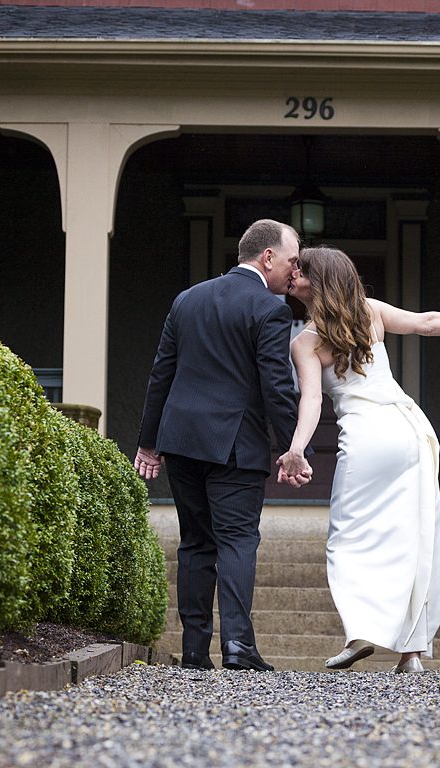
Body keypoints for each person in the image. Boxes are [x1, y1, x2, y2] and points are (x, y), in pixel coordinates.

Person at [277, 246, 440, 673]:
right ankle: (411, 653)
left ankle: (359, 633)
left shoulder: (306, 342)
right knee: (414, 537)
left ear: (317, 280)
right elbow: (426, 323)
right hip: (409, 429)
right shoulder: (369, 311)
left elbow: (312, 400)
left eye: (299, 270)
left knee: (346, 539)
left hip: (368, 438)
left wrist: (297, 448)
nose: (291, 274)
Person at [135, 219, 313, 673]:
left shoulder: (187, 299)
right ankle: (237, 646)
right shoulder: (270, 309)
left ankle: (195, 651)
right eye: (292, 261)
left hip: (181, 442)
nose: (294, 274)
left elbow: (161, 374)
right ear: (267, 257)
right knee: (236, 541)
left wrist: (149, 443)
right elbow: (276, 385)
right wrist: (294, 445)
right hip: (235, 446)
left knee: (195, 543)